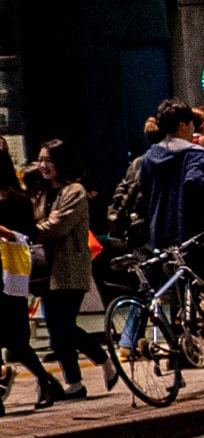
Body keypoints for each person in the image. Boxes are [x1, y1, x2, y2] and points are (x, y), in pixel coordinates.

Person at [28, 162, 112, 395]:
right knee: (57, 329)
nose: (43, 165)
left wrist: (35, 228)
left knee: (62, 325)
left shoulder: (75, 191)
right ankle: (75, 381)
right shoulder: (43, 193)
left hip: (70, 264)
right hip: (46, 268)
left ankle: (99, 361)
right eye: (41, 160)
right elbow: (34, 219)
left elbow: (60, 225)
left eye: (49, 160)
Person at [0, 143, 63, 409]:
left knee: (16, 340)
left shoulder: (15, 198)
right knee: (13, 340)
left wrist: (4, 232)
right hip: (10, 272)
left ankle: (46, 382)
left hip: (10, 272)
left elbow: (27, 234)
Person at [127, 103, 204, 259]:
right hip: (188, 235)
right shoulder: (192, 154)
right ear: (182, 126)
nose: (193, 128)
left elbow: (143, 191)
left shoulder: (148, 158)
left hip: (157, 233)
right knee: (194, 280)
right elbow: (195, 181)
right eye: (191, 124)